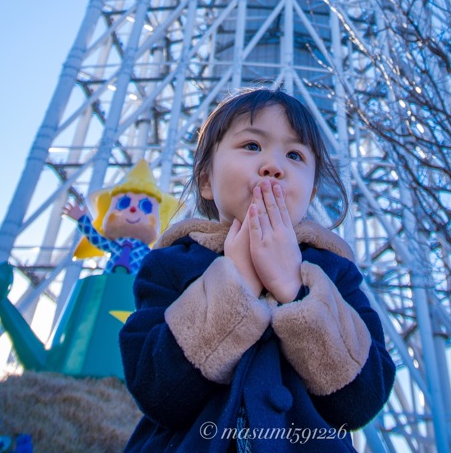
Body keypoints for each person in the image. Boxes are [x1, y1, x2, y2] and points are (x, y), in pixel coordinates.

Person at [120, 88, 395, 452]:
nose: (273, 165)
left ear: (311, 193)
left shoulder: (334, 272)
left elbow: (363, 398)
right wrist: (237, 282)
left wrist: (294, 290)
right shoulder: (172, 264)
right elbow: (155, 389)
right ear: (205, 180)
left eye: (295, 154)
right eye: (252, 146)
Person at [63, 159, 181, 274]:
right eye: (124, 203)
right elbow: (97, 240)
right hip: (110, 282)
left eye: (146, 206)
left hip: (135, 287)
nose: (133, 208)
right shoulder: (116, 245)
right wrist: (81, 219)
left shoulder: (147, 253)